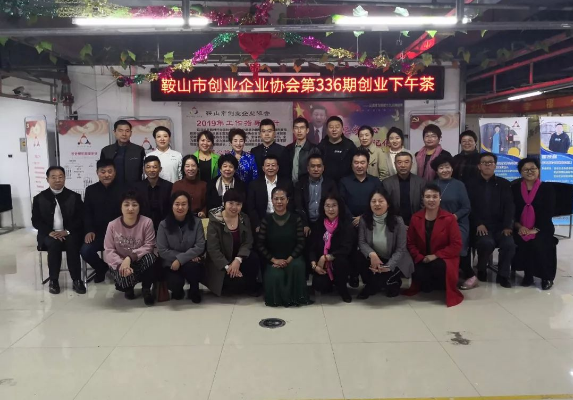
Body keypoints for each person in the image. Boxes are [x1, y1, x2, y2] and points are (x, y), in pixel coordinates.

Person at [406, 184, 464, 307]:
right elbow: (410, 243)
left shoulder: (449, 218)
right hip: (422, 257)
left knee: (437, 266)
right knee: (419, 273)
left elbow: (456, 245)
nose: (431, 200)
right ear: (423, 198)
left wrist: (436, 255)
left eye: (434, 196)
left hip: (443, 258)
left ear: (440, 198)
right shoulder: (416, 218)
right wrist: (419, 257)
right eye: (427, 197)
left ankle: (441, 284)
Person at [32, 166, 85, 295]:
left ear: (65, 178)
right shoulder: (39, 198)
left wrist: (67, 231)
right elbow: (36, 221)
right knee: (54, 243)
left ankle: (77, 280)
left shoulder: (74, 196)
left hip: (69, 233)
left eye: (60, 177)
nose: (57, 180)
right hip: (48, 234)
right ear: (47, 179)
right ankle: (54, 280)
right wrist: (50, 232)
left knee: (72, 243)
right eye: (53, 177)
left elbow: (81, 218)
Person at [466, 152, 515, 288]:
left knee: (509, 244)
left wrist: (508, 226)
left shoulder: (504, 184)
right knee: (486, 243)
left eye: (490, 163)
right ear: (479, 166)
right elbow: (468, 207)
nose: (487, 165)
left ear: (495, 165)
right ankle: (481, 268)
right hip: (480, 226)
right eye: (484, 163)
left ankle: (503, 275)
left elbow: (509, 206)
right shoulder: (470, 184)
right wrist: (478, 223)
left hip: (500, 226)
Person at [258, 187, 311, 307]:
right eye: (276, 199)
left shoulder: (296, 218)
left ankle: (297, 298)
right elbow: (260, 244)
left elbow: (301, 243)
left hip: (293, 257)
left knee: (297, 266)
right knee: (276, 275)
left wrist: (289, 260)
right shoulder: (266, 220)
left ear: (287, 200)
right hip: (273, 259)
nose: (279, 202)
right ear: (272, 200)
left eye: (282, 199)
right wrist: (274, 260)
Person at [357, 189, 413, 299]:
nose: (377, 204)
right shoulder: (364, 219)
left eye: (381, 201)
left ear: (388, 204)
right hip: (375, 258)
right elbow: (362, 242)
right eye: (373, 201)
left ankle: (394, 282)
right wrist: (372, 254)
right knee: (357, 256)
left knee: (382, 283)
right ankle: (371, 284)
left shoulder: (398, 221)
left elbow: (401, 249)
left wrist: (389, 266)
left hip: (394, 259)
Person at [204, 189, 261, 297]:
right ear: (224, 203)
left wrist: (238, 260)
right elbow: (213, 249)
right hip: (221, 264)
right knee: (234, 286)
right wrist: (228, 267)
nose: (234, 207)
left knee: (253, 258)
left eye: (238, 204)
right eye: (231, 203)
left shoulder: (244, 218)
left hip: (238, 259)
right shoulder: (215, 220)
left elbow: (248, 241)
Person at [431, 154, 476, 290]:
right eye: (441, 168)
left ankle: (470, 275)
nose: (445, 170)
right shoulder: (433, 185)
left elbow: (466, 207)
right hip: (438, 222)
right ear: (436, 171)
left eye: (447, 167)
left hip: (458, 222)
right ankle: (444, 274)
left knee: (457, 243)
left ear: (452, 169)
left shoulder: (459, 185)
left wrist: (453, 217)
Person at [104, 191, 157, 305]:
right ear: (121, 207)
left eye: (134, 204)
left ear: (139, 207)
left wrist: (130, 257)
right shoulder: (112, 225)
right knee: (124, 279)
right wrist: (121, 264)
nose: (130, 208)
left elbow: (149, 245)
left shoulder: (147, 222)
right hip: (120, 263)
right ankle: (128, 288)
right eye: (126, 204)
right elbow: (109, 250)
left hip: (139, 260)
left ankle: (146, 289)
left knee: (151, 258)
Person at [511, 158, 557, 290]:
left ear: (538, 170)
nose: (529, 172)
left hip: (542, 227)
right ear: (521, 172)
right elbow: (511, 210)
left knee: (540, 244)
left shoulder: (547, 188)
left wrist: (535, 229)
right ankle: (528, 274)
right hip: (520, 226)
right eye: (525, 169)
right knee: (519, 242)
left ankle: (546, 277)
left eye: (533, 169)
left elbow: (548, 211)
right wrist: (520, 227)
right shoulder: (515, 188)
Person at [339, 149, 382, 287]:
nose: (359, 166)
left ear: (368, 164)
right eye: (356, 163)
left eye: (362, 162)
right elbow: (341, 203)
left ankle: (370, 276)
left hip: (371, 221)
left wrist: (363, 217)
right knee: (349, 246)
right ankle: (353, 275)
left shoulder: (375, 182)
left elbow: (379, 203)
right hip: (350, 222)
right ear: (351, 164)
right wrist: (352, 218)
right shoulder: (344, 181)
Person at [157, 191, 206, 302]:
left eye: (184, 204)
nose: (180, 207)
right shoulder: (163, 224)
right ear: (172, 205)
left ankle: (194, 289)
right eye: (177, 204)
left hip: (191, 262)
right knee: (175, 284)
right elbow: (162, 250)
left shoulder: (197, 222)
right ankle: (177, 290)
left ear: (189, 206)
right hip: (171, 262)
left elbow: (200, 246)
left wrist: (180, 259)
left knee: (194, 269)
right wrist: (182, 258)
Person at [82, 159, 124, 283]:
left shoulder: (124, 189)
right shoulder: (91, 190)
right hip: (98, 234)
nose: (106, 175)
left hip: (119, 234)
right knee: (85, 250)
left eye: (110, 171)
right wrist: (89, 230)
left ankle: (122, 271)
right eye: (103, 171)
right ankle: (101, 268)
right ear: (97, 173)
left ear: (115, 172)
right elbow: (87, 213)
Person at [309, 193, 355, 303]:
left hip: (340, 261)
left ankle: (343, 289)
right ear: (323, 207)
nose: (331, 209)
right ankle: (330, 282)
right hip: (322, 265)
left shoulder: (346, 224)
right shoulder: (318, 224)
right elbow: (311, 248)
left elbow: (346, 248)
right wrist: (314, 265)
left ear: (339, 207)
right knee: (320, 286)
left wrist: (326, 257)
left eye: (334, 205)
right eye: (327, 206)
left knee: (340, 261)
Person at [247, 155, 292, 234]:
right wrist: (257, 224)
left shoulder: (287, 183)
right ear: (263, 168)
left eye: (273, 165)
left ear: (277, 168)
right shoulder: (254, 185)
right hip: (262, 222)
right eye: (268, 165)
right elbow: (251, 207)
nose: (270, 168)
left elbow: (291, 203)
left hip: (283, 221)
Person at [382, 152, 426, 226]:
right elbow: (385, 206)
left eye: (406, 162)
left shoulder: (421, 183)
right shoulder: (386, 183)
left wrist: (417, 222)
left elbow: (424, 205)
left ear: (411, 164)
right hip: (394, 224)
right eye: (399, 162)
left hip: (416, 223)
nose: (403, 165)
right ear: (395, 164)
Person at [131, 155, 173, 231]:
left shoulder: (169, 186)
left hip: (164, 226)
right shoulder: (137, 187)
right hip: (142, 226)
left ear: (160, 169)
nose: (151, 170)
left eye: (155, 167)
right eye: (148, 167)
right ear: (144, 169)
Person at [100, 120, 145, 185]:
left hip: (134, 189)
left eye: (127, 131)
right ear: (114, 132)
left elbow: (143, 171)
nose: (124, 134)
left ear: (131, 133)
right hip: (112, 188)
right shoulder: (106, 150)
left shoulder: (139, 150)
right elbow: (102, 172)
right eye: (120, 131)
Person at [317, 116, 357, 182]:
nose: (334, 130)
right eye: (331, 127)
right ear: (326, 130)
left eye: (337, 127)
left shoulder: (349, 146)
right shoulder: (321, 146)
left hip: (345, 183)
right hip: (325, 184)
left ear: (342, 129)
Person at [284, 117, 319, 185]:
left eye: (302, 128)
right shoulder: (288, 149)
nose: (299, 131)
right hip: (290, 186)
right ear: (293, 130)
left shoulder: (314, 149)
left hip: (307, 185)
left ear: (307, 130)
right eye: (296, 128)